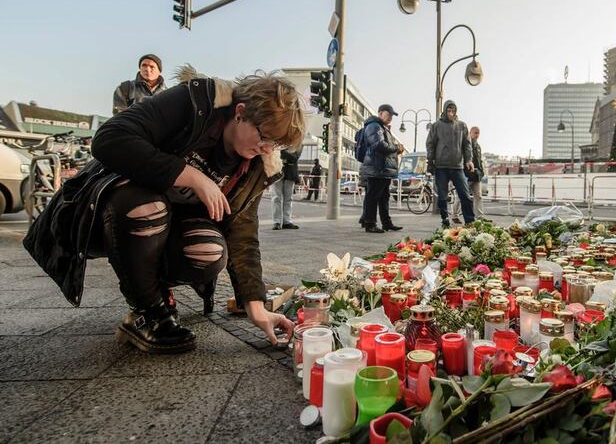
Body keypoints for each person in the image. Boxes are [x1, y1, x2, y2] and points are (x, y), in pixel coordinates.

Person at [24, 65, 305, 353]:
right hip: (108, 215)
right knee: (147, 206)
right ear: (241, 111)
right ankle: (147, 310)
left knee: (209, 251)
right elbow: (110, 138)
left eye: (275, 144)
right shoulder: (197, 102)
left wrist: (256, 310)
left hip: (170, 231)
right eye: (264, 136)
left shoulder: (254, 166)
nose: (268, 148)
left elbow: (243, 234)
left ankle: (155, 294)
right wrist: (191, 176)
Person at [426, 100, 475, 228]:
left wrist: (469, 160)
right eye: (448, 110)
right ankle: (445, 220)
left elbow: (467, 145)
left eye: (453, 111)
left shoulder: (462, 126)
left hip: (457, 166)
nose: (451, 113)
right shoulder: (436, 126)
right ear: (444, 110)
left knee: (465, 195)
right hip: (441, 166)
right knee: (442, 197)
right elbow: (430, 144)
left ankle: (470, 222)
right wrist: (430, 162)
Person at [359, 104, 404, 234]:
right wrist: (396, 148)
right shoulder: (374, 126)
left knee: (384, 197)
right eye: (388, 114)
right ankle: (370, 224)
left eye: (391, 115)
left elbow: (385, 147)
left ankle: (387, 223)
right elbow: (379, 144)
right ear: (380, 113)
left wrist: (395, 149)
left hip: (383, 169)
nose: (390, 117)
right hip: (376, 168)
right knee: (373, 197)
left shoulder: (382, 127)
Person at [272, 149, 300, 230]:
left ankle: (287, 221)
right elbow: (272, 153)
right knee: (276, 197)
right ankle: (276, 222)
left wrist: (281, 152)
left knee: (288, 198)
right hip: (276, 171)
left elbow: (294, 157)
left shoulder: (297, 142)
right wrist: (287, 154)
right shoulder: (276, 139)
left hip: (290, 173)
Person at [466, 126, 485, 218]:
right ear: (470, 133)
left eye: (478, 133)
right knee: (462, 195)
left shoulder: (478, 146)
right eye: (475, 133)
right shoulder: (466, 144)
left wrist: (482, 171)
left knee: (478, 196)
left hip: (477, 175)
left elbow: (479, 160)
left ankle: (480, 216)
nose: (477, 135)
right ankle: (455, 214)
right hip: (468, 174)